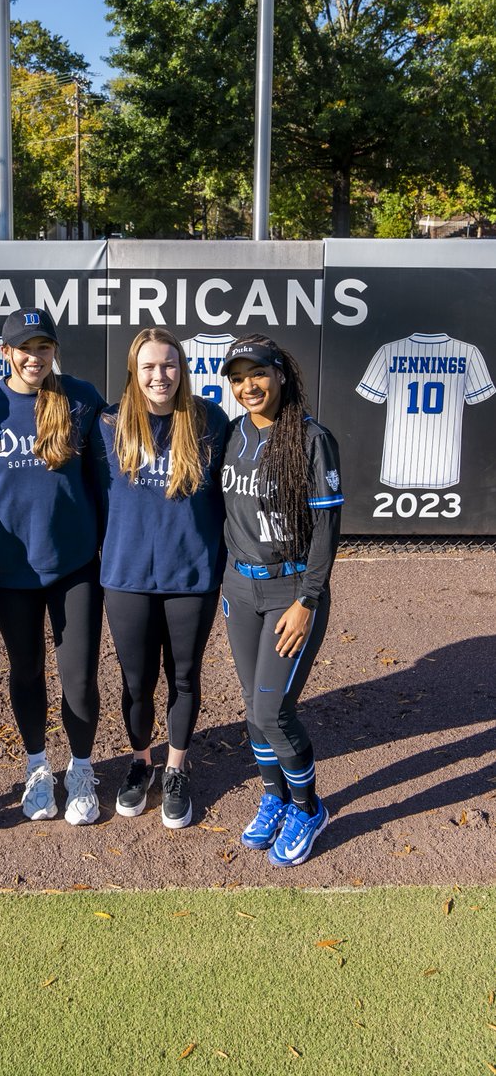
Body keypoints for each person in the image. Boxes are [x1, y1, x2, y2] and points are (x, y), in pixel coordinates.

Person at [0, 308, 105, 825]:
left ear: (53, 352)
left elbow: (110, 471)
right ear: (5, 353)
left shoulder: (80, 398)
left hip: (75, 565)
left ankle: (81, 769)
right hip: (9, 568)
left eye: (44, 347)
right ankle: (38, 767)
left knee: (80, 677)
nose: (34, 357)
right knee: (26, 670)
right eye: (25, 347)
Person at [94, 327, 229, 828]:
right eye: (149, 366)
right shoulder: (109, 425)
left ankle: (175, 767)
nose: (160, 375)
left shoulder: (209, 421)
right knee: (136, 682)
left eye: (169, 365)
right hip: (126, 575)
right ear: (134, 370)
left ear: (182, 370)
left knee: (184, 677)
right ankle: (139, 762)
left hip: (191, 575)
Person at [220, 334, 343, 867]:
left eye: (259, 373)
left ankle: (308, 806)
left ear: (282, 374)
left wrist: (308, 599)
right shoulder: (231, 435)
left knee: (274, 709)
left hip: (291, 592)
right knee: (253, 709)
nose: (249, 385)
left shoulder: (312, 439)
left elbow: (326, 528)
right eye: (239, 376)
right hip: (240, 589)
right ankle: (274, 797)